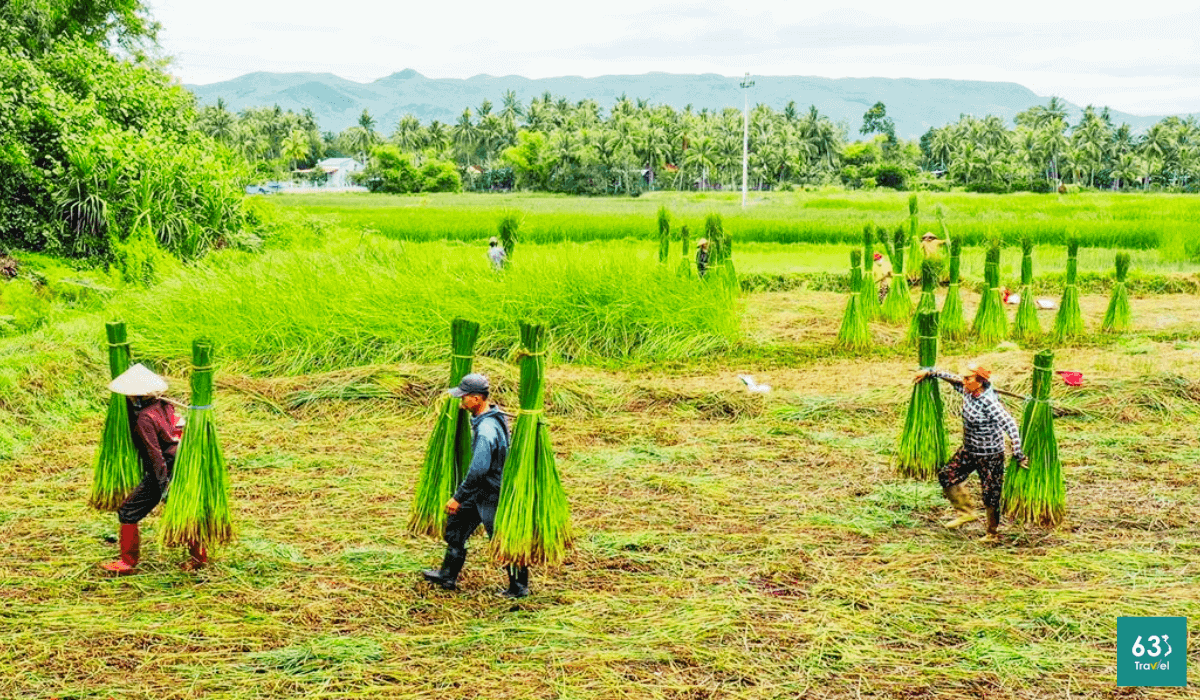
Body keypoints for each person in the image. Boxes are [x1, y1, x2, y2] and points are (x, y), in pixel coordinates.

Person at [422, 373, 529, 598]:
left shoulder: (486, 431)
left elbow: (479, 470)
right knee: (456, 526)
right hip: (480, 491)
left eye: (465, 397)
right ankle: (447, 575)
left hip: (491, 491)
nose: (461, 402)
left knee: (501, 538)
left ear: (478, 399)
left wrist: (458, 497)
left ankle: (519, 588)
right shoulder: (492, 415)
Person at [100, 364, 206, 573]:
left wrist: (163, 486)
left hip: (166, 468)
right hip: (182, 460)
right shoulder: (164, 405)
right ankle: (199, 558)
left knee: (128, 511)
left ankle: (128, 562)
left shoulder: (144, 419)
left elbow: (155, 455)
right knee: (183, 509)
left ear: (136, 395)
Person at [913, 362, 1027, 542]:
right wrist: (929, 373)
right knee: (946, 475)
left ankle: (992, 533)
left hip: (990, 455)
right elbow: (951, 378)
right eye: (964, 378)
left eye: (968, 378)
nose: (963, 381)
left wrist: (1018, 453)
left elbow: (1010, 424)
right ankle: (966, 513)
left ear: (980, 381)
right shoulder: (967, 389)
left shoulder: (988, 402)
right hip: (969, 449)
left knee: (990, 493)